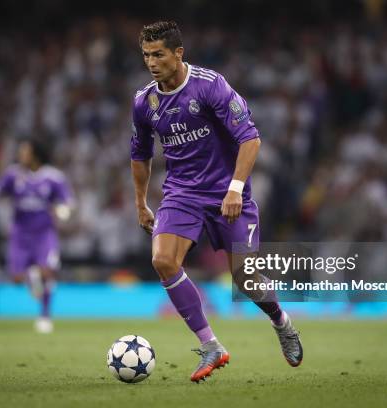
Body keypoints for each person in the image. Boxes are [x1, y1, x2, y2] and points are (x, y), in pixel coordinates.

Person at [130, 21, 303, 382]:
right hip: (182, 194)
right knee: (162, 260)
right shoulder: (143, 102)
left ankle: (281, 321)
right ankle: (211, 345)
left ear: (178, 53)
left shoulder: (210, 86)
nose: (151, 62)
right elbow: (140, 154)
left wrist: (235, 188)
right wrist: (141, 202)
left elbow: (250, 139)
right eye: (146, 55)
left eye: (158, 54)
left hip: (228, 194)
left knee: (245, 278)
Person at [0, 139, 74, 333]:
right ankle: (32, 277)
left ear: (35, 154)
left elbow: (67, 202)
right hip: (20, 234)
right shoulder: (13, 174)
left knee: (48, 272)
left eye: (24, 151)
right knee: (16, 277)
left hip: (44, 233)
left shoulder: (53, 177)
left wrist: (62, 210)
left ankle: (44, 316)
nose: (20, 154)